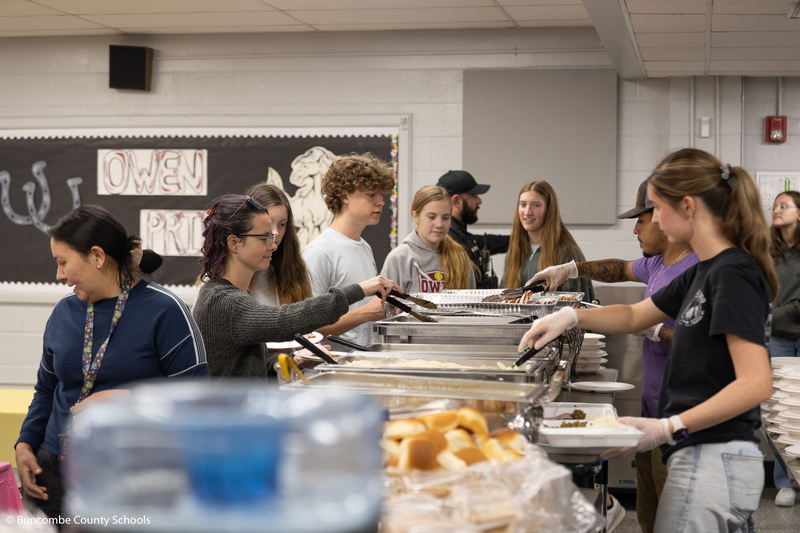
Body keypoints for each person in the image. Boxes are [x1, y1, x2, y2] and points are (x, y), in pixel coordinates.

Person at [520, 148, 777, 533]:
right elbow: (634, 315)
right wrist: (570, 316)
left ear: (688, 206)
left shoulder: (733, 274)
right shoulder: (703, 273)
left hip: (715, 454)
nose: (651, 219)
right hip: (695, 451)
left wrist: (667, 426)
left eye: (656, 208)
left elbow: (756, 383)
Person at [15, 205, 209, 520]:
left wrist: (128, 398)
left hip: (131, 474)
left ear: (97, 256)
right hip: (53, 470)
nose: (59, 275)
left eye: (63, 263)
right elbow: (46, 389)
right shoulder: (64, 313)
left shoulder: (165, 310)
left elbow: (197, 396)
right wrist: (25, 443)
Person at [529, 178, 698, 533]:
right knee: (651, 518)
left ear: (664, 217)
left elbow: (701, 343)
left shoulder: (694, 269)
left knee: (676, 519)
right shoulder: (657, 264)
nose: (635, 228)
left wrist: (658, 331)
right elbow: (620, 268)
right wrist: (569, 269)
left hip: (682, 417)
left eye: (641, 219)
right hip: (651, 411)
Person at [192, 194, 396, 379]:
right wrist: (357, 290)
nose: (273, 245)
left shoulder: (237, 294)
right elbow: (286, 320)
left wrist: (292, 362)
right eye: (264, 238)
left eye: (272, 236)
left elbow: (247, 368)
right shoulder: (222, 301)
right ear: (234, 243)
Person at [302, 153, 396, 346]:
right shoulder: (318, 253)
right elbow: (307, 328)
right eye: (371, 194)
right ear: (345, 196)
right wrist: (365, 313)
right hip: (336, 369)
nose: (381, 201)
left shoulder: (364, 246)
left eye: (381, 195)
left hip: (365, 363)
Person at [503, 180, 594, 302]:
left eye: (536, 205)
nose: (527, 212)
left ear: (549, 209)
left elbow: (578, 308)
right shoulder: (514, 251)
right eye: (523, 204)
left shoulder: (567, 252)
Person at [381, 185, 476, 293]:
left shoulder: (460, 258)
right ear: (416, 216)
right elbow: (385, 306)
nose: (439, 224)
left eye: (445, 218)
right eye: (431, 217)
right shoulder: (399, 258)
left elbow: (469, 305)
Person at [769, 190, 800, 507]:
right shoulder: (766, 248)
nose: (776, 210)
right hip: (776, 335)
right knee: (780, 412)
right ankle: (785, 482)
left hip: (792, 327)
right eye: (775, 205)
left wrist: (778, 312)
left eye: (784, 205)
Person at [437, 170, 510, 289]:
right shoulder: (450, 240)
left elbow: (487, 241)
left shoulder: (461, 235)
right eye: (474, 196)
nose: (479, 201)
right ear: (456, 201)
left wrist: (525, 237)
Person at [246, 182, 313, 306]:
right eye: (269, 223)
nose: (275, 232)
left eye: (282, 224)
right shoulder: (223, 277)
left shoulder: (294, 272)